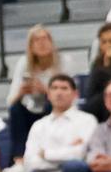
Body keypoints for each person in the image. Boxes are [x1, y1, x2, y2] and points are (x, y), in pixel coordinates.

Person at [6, 26, 69, 163]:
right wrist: (21, 92)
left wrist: (45, 90)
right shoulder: (24, 63)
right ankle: (19, 158)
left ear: (51, 42)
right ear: (31, 47)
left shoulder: (63, 61)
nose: (41, 43)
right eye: (36, 40)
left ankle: (48, 154)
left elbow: (69, 96)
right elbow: (10, 101)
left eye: (45, 39)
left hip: (55, 109)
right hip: (31, 109)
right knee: (15, 109)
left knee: (50, 105)